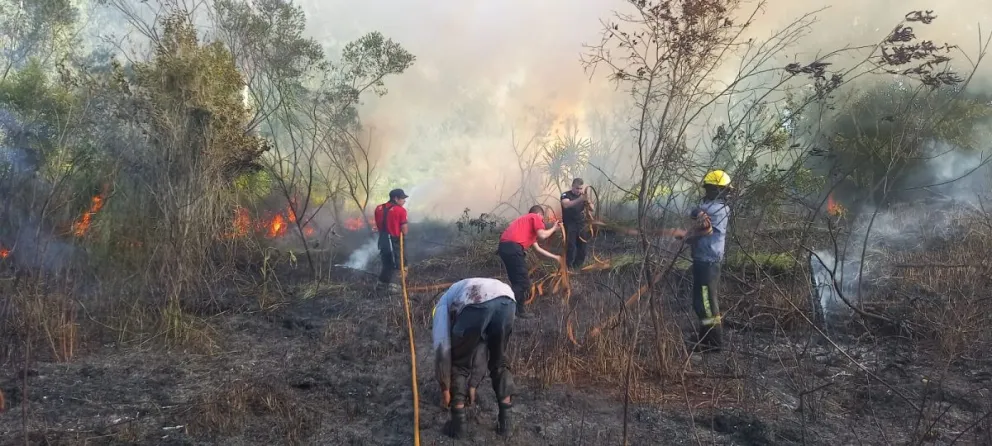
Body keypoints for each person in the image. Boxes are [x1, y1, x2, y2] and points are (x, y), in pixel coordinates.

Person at [432, 277, 518, 438]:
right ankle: (506, 424)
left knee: (459, 362)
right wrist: (473, 385)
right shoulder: (459, 291)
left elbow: (442, 347)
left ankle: (459, 425)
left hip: (475, 299)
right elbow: (480, 346)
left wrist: (445, 387)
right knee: (499, 361)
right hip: (508, 300)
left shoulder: (442, 305)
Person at [683, 169, 732, 352]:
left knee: (705, 302)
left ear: (714, 190)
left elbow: (697, 212)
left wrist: (696, 211)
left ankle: (713, 343)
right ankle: (705, 337)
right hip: (705, 260)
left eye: (710, 189)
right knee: (702, 301)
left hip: (708, 261)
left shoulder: (716, 209)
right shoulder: (717, 206)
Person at [496, 205, 561, 318]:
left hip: (504, 248)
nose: (542, 222)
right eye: (543, 219)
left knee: (517, 283)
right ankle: (512, 311)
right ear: (540, 215)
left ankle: (513, 311)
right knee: (523, 283)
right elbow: (542, 235)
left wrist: (556, 257)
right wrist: (554, 228)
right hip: (513, 248)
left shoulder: (525, 227)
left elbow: (538, 249)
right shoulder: (535, 217)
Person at [373, 188, 409, 292]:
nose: (404, 201)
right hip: (395, 240)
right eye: (402, 198)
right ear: (396, 198)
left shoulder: (378, 208)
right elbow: (405, 230)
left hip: (383, 239)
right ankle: (395, 286)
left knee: (387, 263)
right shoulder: (401, 210)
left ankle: (381, 285)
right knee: (401, 263)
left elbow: (379, 224)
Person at [560, 178, 594, 271]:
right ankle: (568, 267)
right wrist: (580, 199)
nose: (578, 190)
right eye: (577, 188)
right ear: (572, 186)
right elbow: (566, 205)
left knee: (583, 246)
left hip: (581, 224)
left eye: (580, 188)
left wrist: (588, 201)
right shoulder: (565, 195)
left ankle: (577, 266)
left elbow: (592, 209)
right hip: (570, 224)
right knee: (571, 246)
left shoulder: (583, 196)